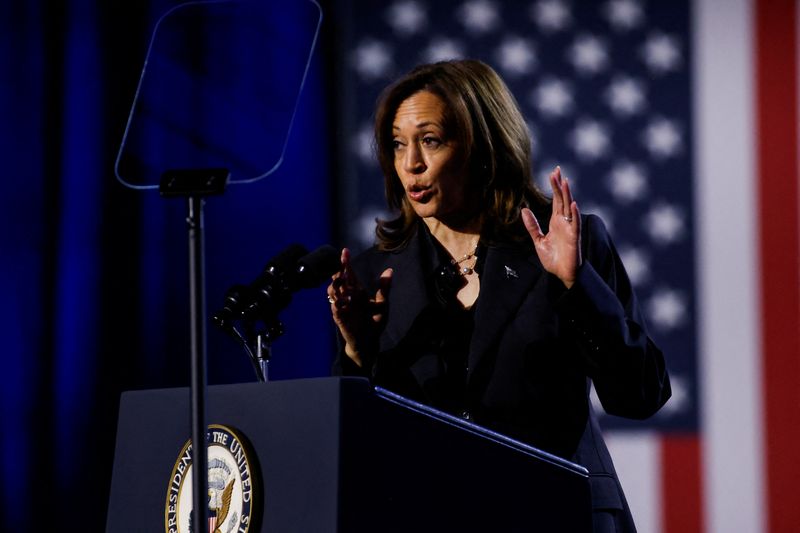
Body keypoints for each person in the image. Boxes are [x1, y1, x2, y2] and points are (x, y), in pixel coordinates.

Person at [326, 59, 671, 533]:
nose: (412, 164)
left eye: (430, 141)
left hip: (560, 512)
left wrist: (576, 285)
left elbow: (640, 395)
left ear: (481, 146)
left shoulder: (566, 242)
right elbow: (357, 447)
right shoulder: (375, 274)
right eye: (397, 144)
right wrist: (358, 354)